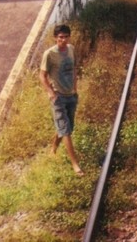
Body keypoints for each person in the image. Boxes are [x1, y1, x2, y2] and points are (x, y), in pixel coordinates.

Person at [39, 24, 84, 176]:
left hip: (71, 95)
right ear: (55, 38)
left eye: (65, 37)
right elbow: (42, 76)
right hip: (58, 97)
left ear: (69, 37)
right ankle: (75, 164)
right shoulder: (49, 54)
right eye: (60, 37)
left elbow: (74, 68)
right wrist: (51, 92)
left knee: (67, 126)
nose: (63, 40)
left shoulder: (71, 49)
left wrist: (75, 88)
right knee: (66, 131)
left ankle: (53, 148)